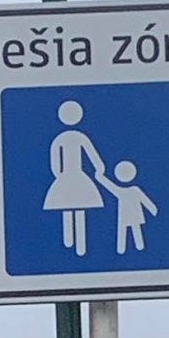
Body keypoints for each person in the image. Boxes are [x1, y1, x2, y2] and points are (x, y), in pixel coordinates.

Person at [44, 100, 107, 256]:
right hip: (74, 176)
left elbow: (55, 162)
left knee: (73, 207)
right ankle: (72, 244)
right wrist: (99, 168)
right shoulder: (74, 138)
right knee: (73, 206)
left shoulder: (65, 138)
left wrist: (59, 175)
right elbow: (92, 156)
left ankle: (75, 244)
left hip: (69, 177)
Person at [97, 160, 158, 253]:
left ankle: (137, 247)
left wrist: (153, 209)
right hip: (125, 215)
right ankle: (121, 249)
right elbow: (110, 186)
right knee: (124, 231)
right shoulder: (124, 191)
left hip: (133, 214)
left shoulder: (132, 190)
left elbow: (144, 200)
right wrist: (100, 178)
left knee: (134, 230)